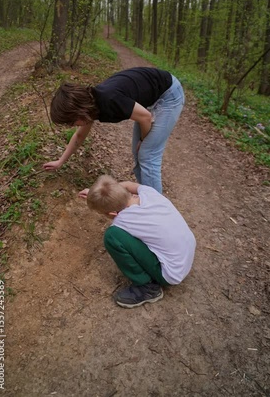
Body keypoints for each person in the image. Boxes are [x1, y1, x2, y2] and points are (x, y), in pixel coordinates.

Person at [44, 67, 185, 194]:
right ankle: (146, 196)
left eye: (72, 121)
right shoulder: (91, 105)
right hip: (151, 98)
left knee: (147, 154)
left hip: (168, 94)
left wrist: (143, 140)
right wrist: (60, 161)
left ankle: (155, 210)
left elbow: (145, 117)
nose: (73, 125)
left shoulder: (109, 100)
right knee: (139, 154)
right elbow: (79, 136)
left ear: (80, 111)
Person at [79, 175, 196, 309]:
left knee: (112, 236)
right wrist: (98, 194)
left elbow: (118, 222)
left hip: (171, 273)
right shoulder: (149, 192)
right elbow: (128, 184)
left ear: (112, 213)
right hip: (186, 255)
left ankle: (148, 289)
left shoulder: (123, 220)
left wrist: (100, 202)